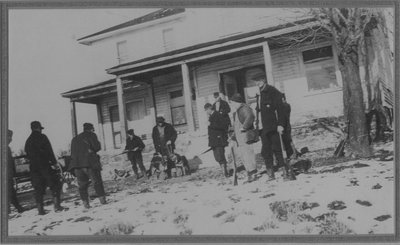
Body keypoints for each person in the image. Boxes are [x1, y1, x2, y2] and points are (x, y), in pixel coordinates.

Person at [252, 73, 296, 181]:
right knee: (266, 151)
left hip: (273, 127)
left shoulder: (273, 91)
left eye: (258, 80)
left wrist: (280, 124)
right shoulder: (259, 94)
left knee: (278, 149)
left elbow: (281, 110)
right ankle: (270, 174)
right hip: (263, 128)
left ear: (263, 80)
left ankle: (285, 172)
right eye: (255, 81)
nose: (257, 83)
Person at [24, 121, 67, 215]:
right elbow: (49, 150)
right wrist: (54, 163)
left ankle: (40, 210)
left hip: (34, 168)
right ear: (38, 128)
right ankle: (57, 206)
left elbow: (27, 155)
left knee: (38, 189)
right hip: (44, 166)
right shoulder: (42, 137)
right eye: (40, 128)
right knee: (55, 184)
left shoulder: (28, 141)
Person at [69, 123, 106, 209]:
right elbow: (96, 147)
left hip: (77, 165)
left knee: (82, 185)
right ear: (91, 129)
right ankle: (102, 201)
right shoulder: (92, 135)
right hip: (89, 164)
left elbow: (72, 153)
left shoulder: (75, 139)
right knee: (97, 181)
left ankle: (86, 204)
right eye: (93, 129)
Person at [229, 93, 258, 183]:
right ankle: (249, 173)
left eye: (232, 102)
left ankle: (253, 173)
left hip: (246, 137)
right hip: (239, 139)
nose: (232, 105)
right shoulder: (236, 112)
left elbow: (250, 117)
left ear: (237, 102)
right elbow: (236, 126)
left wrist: (244, 127)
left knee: (249, 155)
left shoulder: (244, 108)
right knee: (244, 156)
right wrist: (233, 136)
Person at [204, 103, 230, 177]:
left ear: (209, 109)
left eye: (206, 110)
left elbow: (223, 126)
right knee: (217, 157)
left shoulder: (217, 114)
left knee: (220, 155)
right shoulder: (211, 116)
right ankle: (224, 171)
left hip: (219, 139)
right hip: (214, 141)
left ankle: (225, 172)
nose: (206, 111)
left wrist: (210, 124)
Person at [7, 130, 24, 213]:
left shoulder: (7, 148)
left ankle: (15, 208)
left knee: (10, 191)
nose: (10, 139)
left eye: (11, 137)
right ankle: (17, 208)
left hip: (8, 175)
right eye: (9, 137)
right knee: (10, 191)